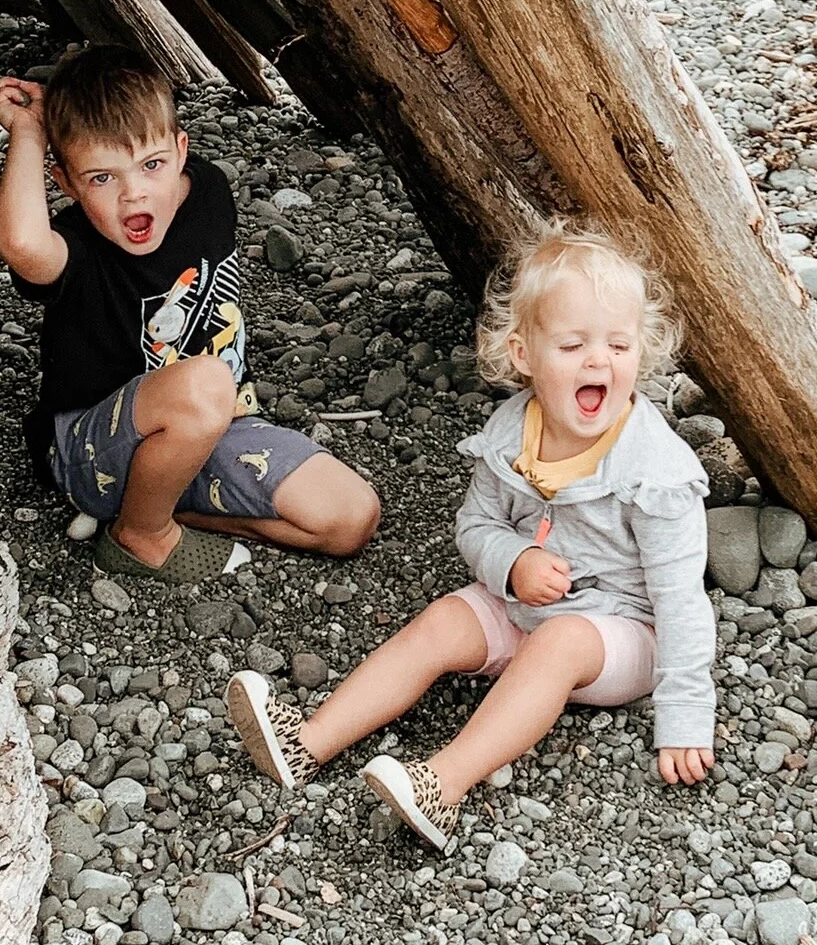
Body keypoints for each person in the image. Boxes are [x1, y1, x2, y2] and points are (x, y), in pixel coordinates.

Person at [226, 221, 714, 851]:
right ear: (524, 355)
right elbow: (477, 525)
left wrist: (685, 717)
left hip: (620, 632)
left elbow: (681, 602)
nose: (599, 360)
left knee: (560, 642)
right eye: (573, 346)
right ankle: (308, 743)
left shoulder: (656, 472)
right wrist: (512, 561)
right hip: (524, 600)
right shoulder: (511, 431)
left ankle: (444, 784)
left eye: (619, 346)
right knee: (443, 621)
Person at [0, 45, 379, 587]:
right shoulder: (76, 250)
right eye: (101, 178)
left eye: (151, 165)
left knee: (350, 518)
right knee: (205, 384)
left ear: (180, 151)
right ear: (66, 183)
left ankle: (156, 507)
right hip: (92, 452)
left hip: (213, 429)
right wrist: (30, 133)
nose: (134, 194)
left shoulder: (208, 193)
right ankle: (139, 536)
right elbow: (21, 243)